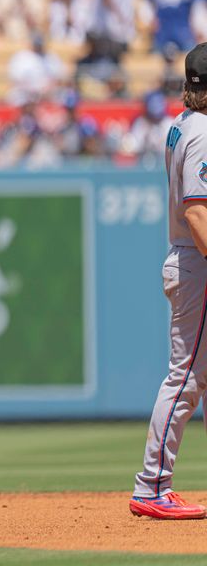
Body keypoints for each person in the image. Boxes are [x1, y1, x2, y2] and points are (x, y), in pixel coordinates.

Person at [130, 42, 207, 520]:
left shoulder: (181, 125)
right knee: (185, 377)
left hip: (188, 260)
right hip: (198, 262)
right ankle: (151, 486)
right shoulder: (202, 133)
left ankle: (154, 484)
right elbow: (198, 214)